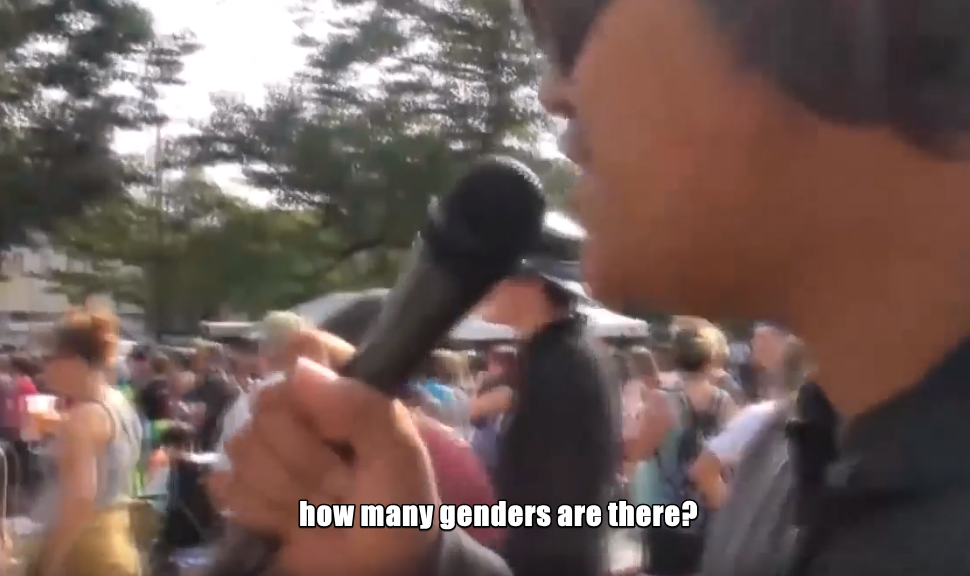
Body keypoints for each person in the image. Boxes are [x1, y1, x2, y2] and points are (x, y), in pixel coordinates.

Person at [214, 1, 970, 575]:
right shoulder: (792, 454)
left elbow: (566, 501)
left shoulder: (569, 366)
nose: (554, 91)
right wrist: (417, 556)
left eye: (574, 23)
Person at [27, 307, 142, 576]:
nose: (44, 369)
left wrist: (48, 561)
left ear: (74, 362)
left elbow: (81, 500)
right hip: (118, 540)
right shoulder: (117, 401)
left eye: (49, 359)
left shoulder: (83, 417)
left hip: (86, 551)